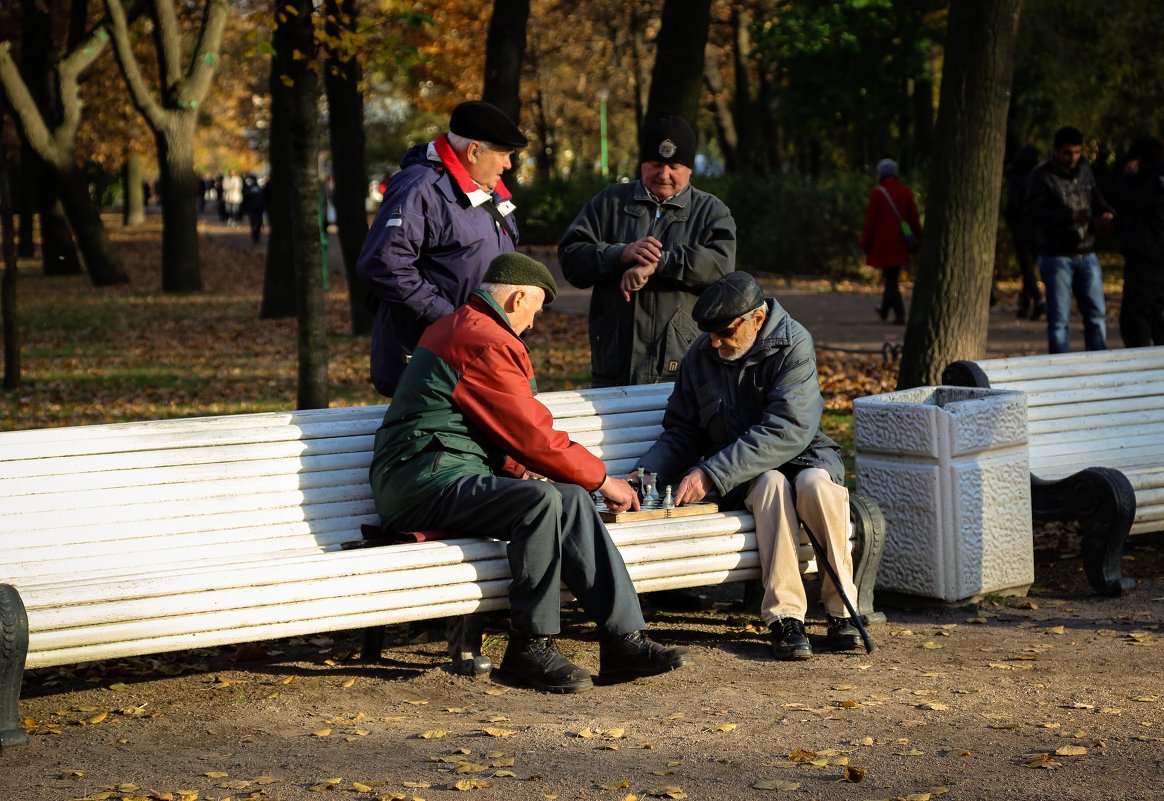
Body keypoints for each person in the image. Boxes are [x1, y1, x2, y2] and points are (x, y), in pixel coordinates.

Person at [368, 252, 691, 693]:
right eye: (536, 311)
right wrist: (602, 479)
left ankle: (623, 640)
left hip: (447, 472)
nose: (534, 323)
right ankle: (528, 648)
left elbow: (497, 427)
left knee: (570, 498)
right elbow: (532, 436)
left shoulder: (468, 328)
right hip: (422, 481)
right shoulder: (482, 339)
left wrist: (562, 479)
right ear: (518, 297)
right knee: (542, 501)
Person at [633, 272, 863, 661]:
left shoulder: (794, 343)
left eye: (724, 331)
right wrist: (644, 477)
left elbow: (789, 427)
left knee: (817, 487)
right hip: (747, 471)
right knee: (772, 485)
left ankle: (843, 611)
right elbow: (683, 431)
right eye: (709, 333)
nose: (714, 342)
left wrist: (710, 472)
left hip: (803, 454)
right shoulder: (702, 355)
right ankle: (786, 619)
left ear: (757, 318)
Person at [357, 100, 528, 398]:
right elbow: (385, 265)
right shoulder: (419, 187)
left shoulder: (491, 191)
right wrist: (455, 322)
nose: (508, 164)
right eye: (504, 154)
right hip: (431, 364)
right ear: (474, 151)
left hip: (482, 357)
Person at [558, 115, 737, 387]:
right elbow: (571, 258)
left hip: (683, 366)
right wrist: (620, 254)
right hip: (613, 362)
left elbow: (721, 266)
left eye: (674, 166)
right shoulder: (609, 202)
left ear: (690, 169)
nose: (663, 175)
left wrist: (662, 262)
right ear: (642, 164)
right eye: (655, 164)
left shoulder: (711, 212)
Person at [1026, 126, 1115, 353]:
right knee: (1059, 321)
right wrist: (1069, 216)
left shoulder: (1085, 169)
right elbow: (1034, 215)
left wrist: (1106, 213)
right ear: (1055, 150)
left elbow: (1096, 198)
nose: (1073, 158)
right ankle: (1060, 374)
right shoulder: (1041, 176)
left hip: (1087, 251)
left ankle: (1099, 367)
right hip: (1056, 256)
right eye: (1068, 153)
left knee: (1097, 315)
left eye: (1077, 152)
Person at [1113, 136, 1164, 347]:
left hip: (1145, 258)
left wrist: (1129, 175)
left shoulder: (1147, 180)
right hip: (1156, 257)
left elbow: (1125, 201)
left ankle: (1141, 371)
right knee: (1158, 316)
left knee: (1136, 318)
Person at [860, 158, 921, 325]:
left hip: (883, 246)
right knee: (891, 279)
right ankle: (884, 310)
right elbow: (914, 219)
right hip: (901, 244)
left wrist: (865, 243)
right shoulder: (906, 192)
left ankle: (899, 314)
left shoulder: (878, 193)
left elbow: (870, 222)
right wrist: (919, 239)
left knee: (891, 281)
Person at [1004, 144, 1044, 320]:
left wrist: (1010, 217)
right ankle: (1028, 302)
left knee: (1026, 266)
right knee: (1030, 266)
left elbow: (1012, 205)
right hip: (1037, 226)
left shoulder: (1016, 178)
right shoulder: (1039, 176)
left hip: (1021, 226)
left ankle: (1035, 299)